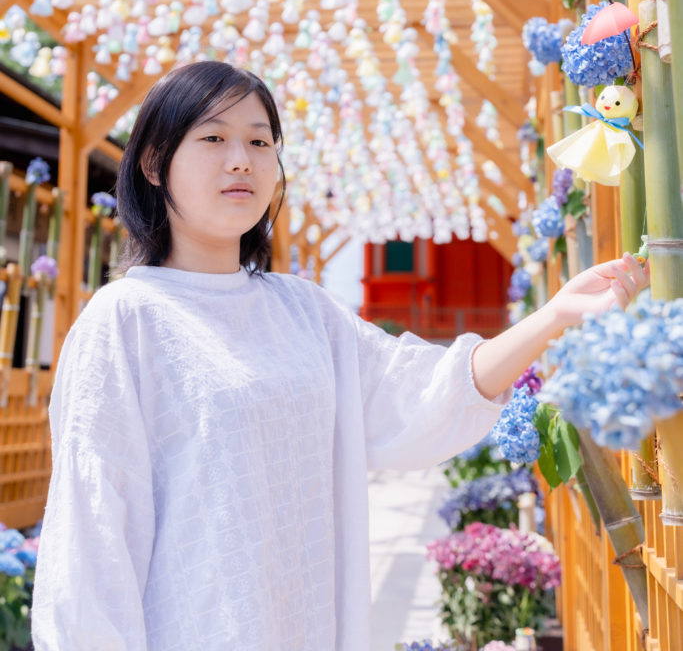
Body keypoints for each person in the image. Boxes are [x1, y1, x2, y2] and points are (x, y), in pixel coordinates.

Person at [31, 61, 648, 651]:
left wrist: (554, 315)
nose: (241, 160)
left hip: (308, 627)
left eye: (260, 141)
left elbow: (420, 393)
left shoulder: (303, 312)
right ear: (154, 163)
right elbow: (91, 538)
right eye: (213, 138)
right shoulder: (124, 322)